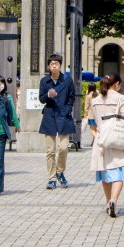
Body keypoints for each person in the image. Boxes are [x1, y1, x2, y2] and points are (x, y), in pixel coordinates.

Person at [90, 73, 124, 217]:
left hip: (102, 138)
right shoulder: (120, 98)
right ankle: (114, 200)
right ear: (117, 84)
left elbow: (94, 119)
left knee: (104, 171)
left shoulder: (96, 99)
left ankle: (107, 201)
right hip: (117, 137)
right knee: (118, 171)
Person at [39, 52, 76, 190]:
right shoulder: (44, 81)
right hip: (49, 116)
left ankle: (60, 171)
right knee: (50, 150)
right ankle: (52, 178)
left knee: (63, 147)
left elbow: (72, 97)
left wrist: (67, 109)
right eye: (52, 64)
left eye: (57, 64)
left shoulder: (67, 80)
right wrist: (48, 94)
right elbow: (41, 98)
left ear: (60, 66)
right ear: (49, 66)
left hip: (64, 116)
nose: (54, 66)